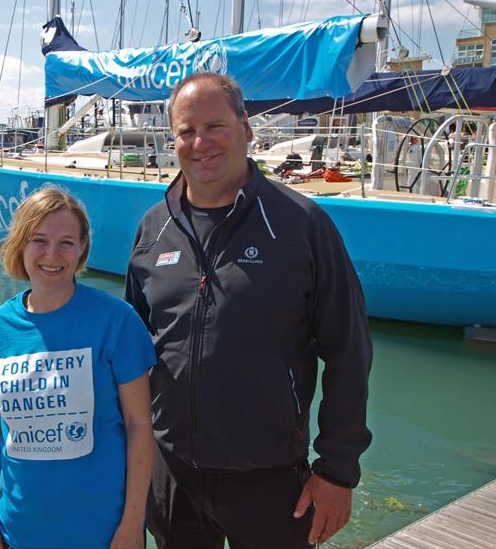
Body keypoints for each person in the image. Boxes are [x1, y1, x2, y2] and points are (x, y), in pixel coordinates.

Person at [125, 73, 372, 548]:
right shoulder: (153, 230)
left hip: (271, 480)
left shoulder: (301, 226)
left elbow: (349, 351)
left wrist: (338, 472)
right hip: (171, 475)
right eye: (186, 131)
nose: (201, 143)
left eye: (215, 126)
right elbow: (132, 357)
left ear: (246, 128)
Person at [0, 187, 156, 549]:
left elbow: (139, 425)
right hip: (18, 534)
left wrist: (132, 525)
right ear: (20, 243)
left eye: (67, 242)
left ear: (82, 248)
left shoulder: (117, 322)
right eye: (39, 240)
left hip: (103, 534)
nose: (52, 255)